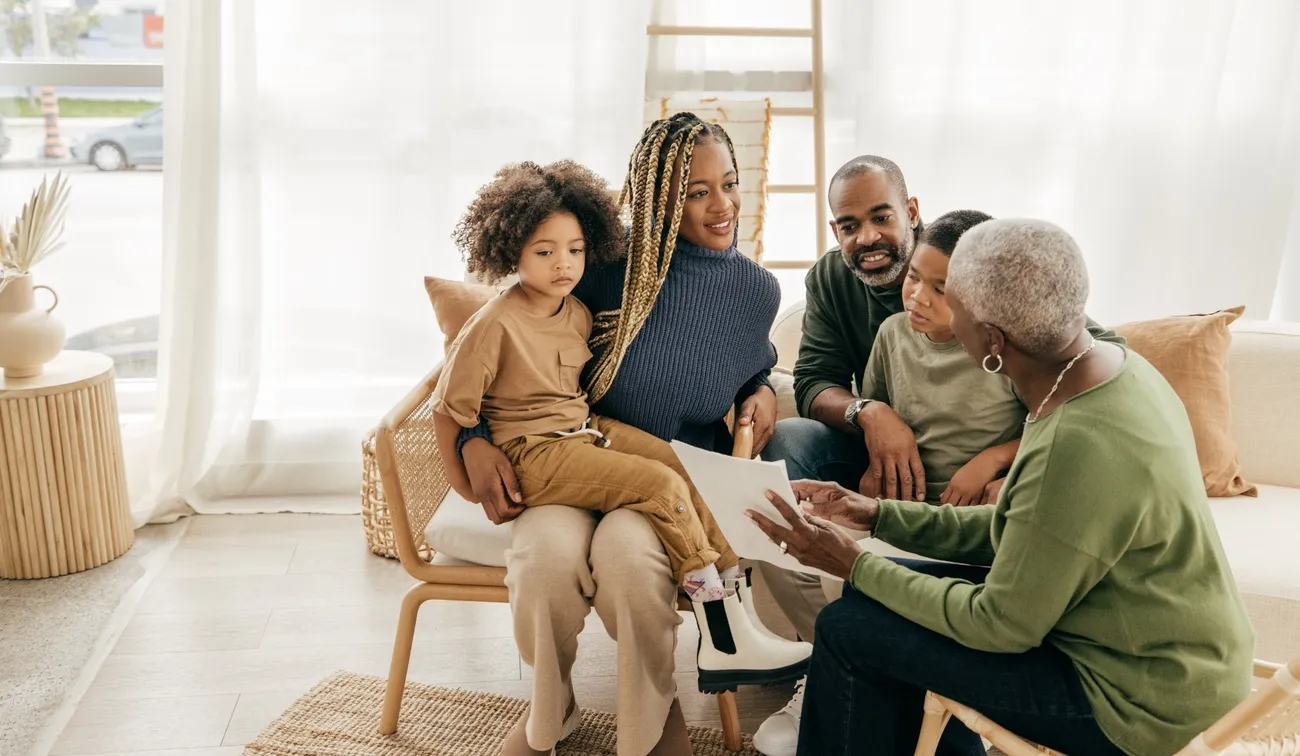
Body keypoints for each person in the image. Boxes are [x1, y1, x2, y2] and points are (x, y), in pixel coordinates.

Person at [748, 217, 1255, 756]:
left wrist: (852, 561)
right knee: (865, 597)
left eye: (954, 303)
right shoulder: (1107, 371)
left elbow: (999, 625)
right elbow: (1029, 527)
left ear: (991, 339)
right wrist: (877, 516)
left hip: (1136, 698)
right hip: (1153, 648)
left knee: (850, 628)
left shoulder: (1077, 439)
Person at [752, 156, 1124, 755]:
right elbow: (820, 379)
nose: (866, 237)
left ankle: (897, 690)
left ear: (912, 214)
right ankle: (835, 667)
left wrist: (1002, 460)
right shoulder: (876, 318)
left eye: (881, 217)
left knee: (869, 609)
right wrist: (870, 417)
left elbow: (1089, 362)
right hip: (904, 477)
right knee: (788, 458)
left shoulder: (992, 286)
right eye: (848, 224)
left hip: (983, 497)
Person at [454, 114, 797, 756]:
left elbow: (751, 365)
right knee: (543, 566)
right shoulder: (600, 265)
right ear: (655, 196)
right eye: (697, 192)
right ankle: (550, 712)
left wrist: (762, 391)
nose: (721, 206)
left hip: (662, 474)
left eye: (729, 183)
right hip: (566, 456)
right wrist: (473, 436)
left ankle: (652, 718)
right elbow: (507, 341)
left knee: (630, 568)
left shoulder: (754, 291)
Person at [858, 208, 1025, 506]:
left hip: (977, 509)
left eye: (940, 289)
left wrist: (995, 459)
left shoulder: (1009, 347)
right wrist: (874, 465)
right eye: (913, 276)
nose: (918, 297)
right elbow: (876, 416)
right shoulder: (891, 333)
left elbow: (1055, 427)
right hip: (903, 507)